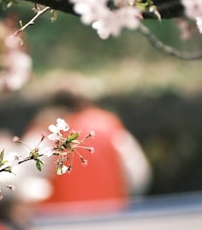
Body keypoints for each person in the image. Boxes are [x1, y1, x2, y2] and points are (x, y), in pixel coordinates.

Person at [24, 81, 151, 211]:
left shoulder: (44, 136)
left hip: (58, 223)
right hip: (111, 219)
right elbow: (138, 177)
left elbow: (22, 183)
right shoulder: (111, 131)